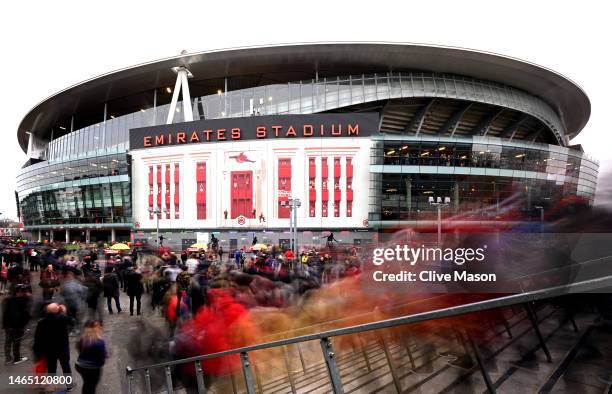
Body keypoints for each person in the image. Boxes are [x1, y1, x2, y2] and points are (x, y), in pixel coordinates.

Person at [33, 303, 73, 381]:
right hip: (62, 347)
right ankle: (69, 384)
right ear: (57, 310)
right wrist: (66, 311)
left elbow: (37, 338)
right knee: (65, 365)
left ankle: (52, 385)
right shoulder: (63, 318)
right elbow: (72, 321)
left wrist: (37, 351)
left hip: (49, 349)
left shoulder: (41, 322)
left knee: (51, 367)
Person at [2, 284, 32, 365]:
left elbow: (5, 313)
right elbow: (24, 314)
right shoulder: (22, 301)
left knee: (8, 342)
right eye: (24, 292)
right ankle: (16, 358)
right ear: (19, 292)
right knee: (16, 342)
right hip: (16, 326)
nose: (25, 293)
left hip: (8, 325)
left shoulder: (8, 300)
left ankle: (8, 359)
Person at [75, 320, 107, 394]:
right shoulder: (99, 342)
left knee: (87, 383)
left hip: (80, 366)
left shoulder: (82, 339)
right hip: (93, 368)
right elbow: (102, 357)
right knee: (91, 386)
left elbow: (79, 350)